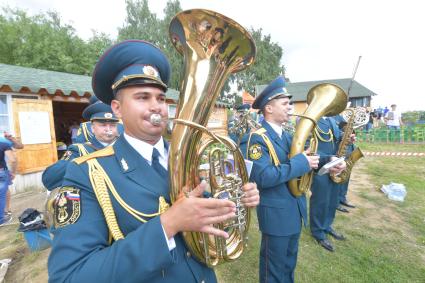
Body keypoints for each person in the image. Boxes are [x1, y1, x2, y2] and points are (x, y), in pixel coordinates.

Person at [47, 40, 259, 282]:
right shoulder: (87, 172)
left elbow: (203, 218)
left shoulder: (190, 158)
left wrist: (233, 201)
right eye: (142, 97)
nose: (156, 107)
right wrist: (168, 225)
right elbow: (71, 276)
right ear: (117, 108)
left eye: (160, 98)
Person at [240, 76, 319, 283]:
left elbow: (301, 160)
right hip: (275, 217)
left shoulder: (286, 136)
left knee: (288, 266)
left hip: (294, 211)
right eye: (285, 103)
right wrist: (302, 163)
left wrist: (328, 161)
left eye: (290, 103)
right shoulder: (256, 138)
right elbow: (263, 177)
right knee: (273, 272)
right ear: (269, 108)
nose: (290, 107)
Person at [42, 100, 121, 191]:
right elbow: (49, 179)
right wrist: (84, 160)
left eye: (112, 125)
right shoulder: (80, 150)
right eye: (103, 125)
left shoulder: (125, 147)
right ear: (92, 128)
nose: (108, 129)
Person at [309, 115, 348, 252]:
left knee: (332, 198)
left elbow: (336, 140)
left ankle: (327, 225)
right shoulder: (311, 118)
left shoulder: (331, 120)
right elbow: (308, 146)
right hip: (320, 166)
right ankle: (318, 232)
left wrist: (346, 137)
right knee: (321, 200)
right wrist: (326, 159)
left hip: (334, 164)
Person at [0, 140, 16, 225]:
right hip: (1, 172)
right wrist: (13, 172)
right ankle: (1, 220)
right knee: (1, 195)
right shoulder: (3, 144)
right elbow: (13, 160)